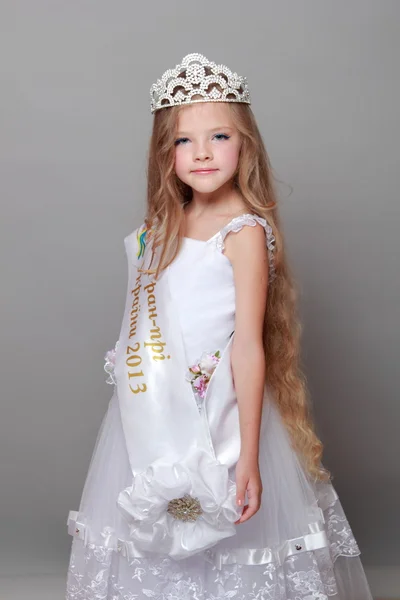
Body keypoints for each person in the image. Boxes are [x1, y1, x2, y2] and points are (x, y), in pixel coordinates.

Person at [65, 52, 373, 600]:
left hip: (222, 418)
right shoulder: (156, 231)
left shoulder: (243, 232)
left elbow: (250, 349)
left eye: (219, 137)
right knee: (158, 543)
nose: (201, 153)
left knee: (229, 546)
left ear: (246, 144)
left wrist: (250, 456)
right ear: (165, 154)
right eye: (183, 140)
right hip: (152, 414)